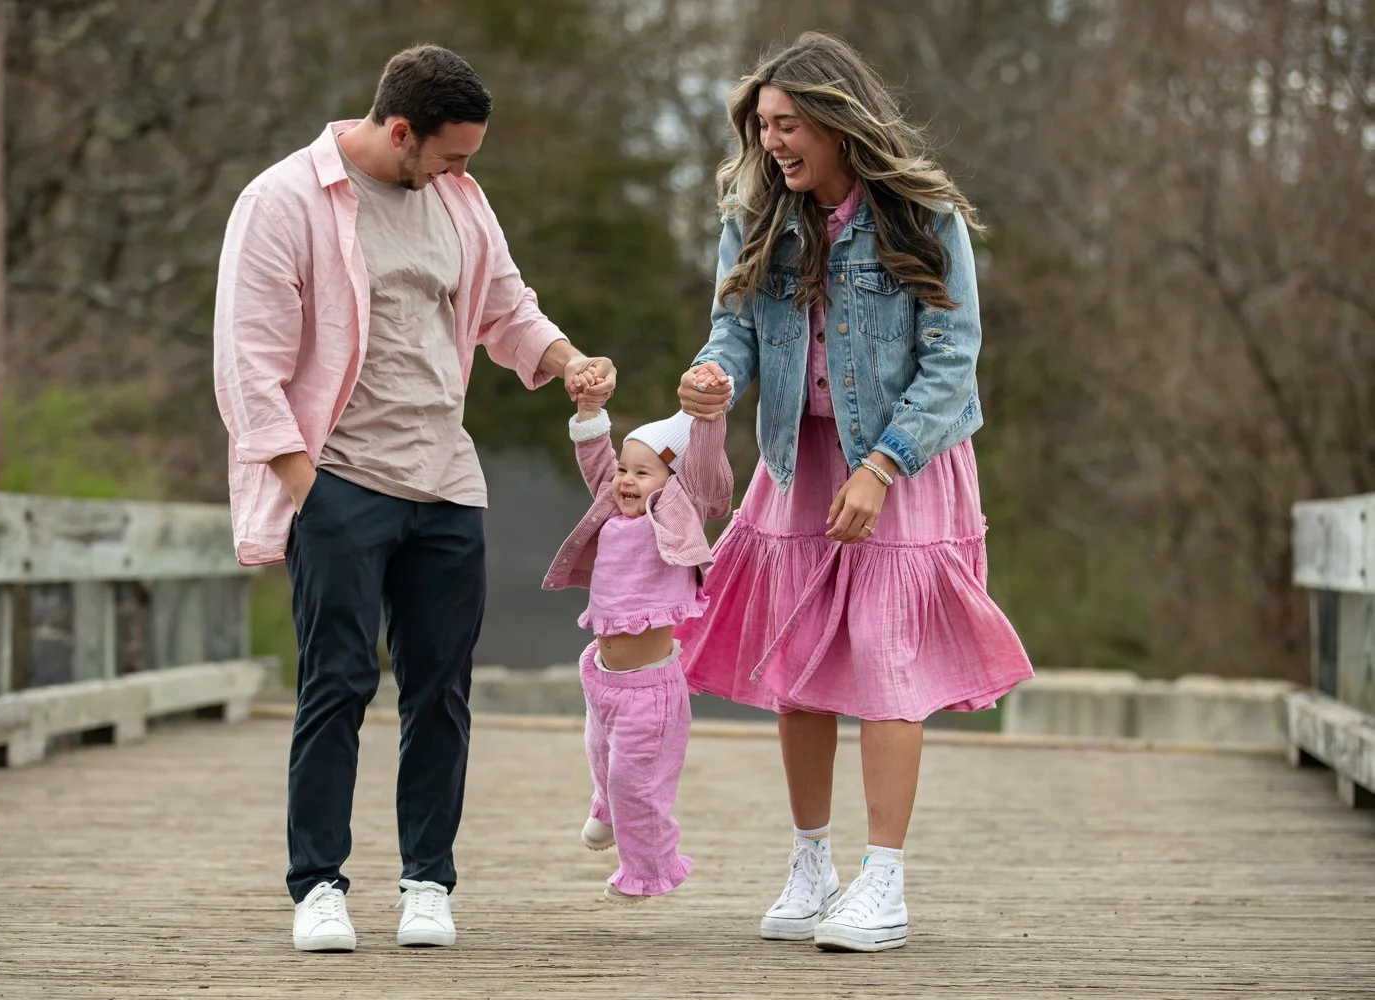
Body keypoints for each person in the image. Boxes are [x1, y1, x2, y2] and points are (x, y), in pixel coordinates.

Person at [211, 44, 615, 953]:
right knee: (338, 684)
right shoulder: (282, 204)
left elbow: (507, 310)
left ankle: (427, 879)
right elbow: (248, 366)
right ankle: (317, 884)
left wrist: (566, 361)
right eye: (452, 154)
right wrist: (307, 493)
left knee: (441, 690)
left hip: (446, 483)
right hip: (340, 483)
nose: (462, 172)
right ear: (400, 130)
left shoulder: (460, 201)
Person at [675, 31, 1034, 953]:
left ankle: (885, 880)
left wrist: (883, 467)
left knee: (885, 661)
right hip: (802, 460)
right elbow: (736, 333)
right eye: (763, 127)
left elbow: (953, 363)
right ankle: (810, 865)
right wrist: (712, 376)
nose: (774, 144)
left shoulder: (921, 217)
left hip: (903, 464)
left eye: (789, 125)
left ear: (837, 122)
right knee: (799, 668)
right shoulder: (758, 217)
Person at [541, 364, 733, 903]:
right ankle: (605, 806)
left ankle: (649, 870)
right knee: (600, 756)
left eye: (642, 473)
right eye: (624, 470)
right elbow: (598, 461)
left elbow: (706, 473)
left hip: (650, 692)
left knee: (637, 784)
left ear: (673, 481)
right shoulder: (611, 507)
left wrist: (708, 419)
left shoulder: (675, 511)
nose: (626, 481)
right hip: (600, 677)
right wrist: (588, 413)